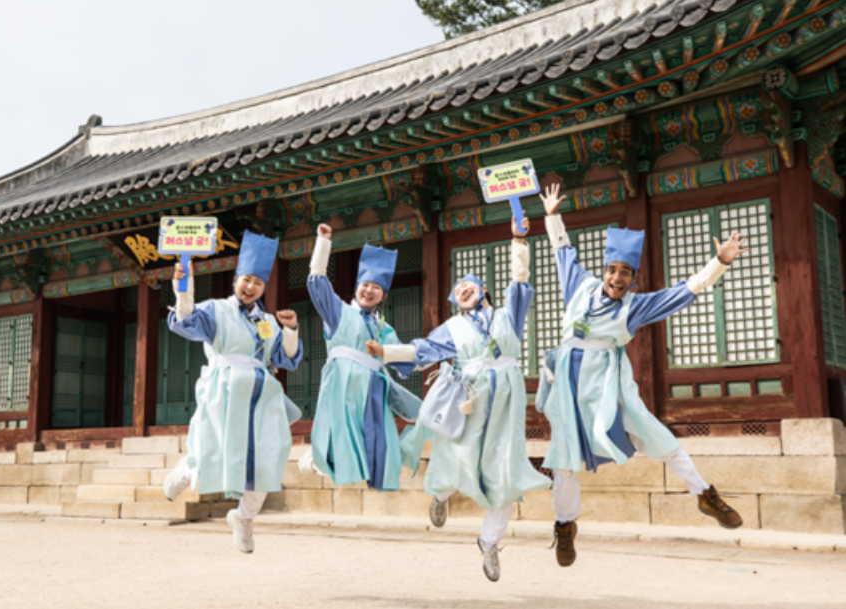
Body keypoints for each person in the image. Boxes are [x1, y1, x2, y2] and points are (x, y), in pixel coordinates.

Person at [537, 183, 747, 568]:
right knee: (563, 459)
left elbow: (685, 291)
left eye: (626, 273)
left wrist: (719, 262)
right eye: (612, 270)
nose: (617, 278)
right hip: (566, 384)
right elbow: (562, 251)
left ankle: (705, 494)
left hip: (607, 384)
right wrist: (552, 216)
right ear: (604, 270)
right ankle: (565, 526)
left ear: (632, 277)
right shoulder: (579, 286)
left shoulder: (634, 307)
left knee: (654, 432)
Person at [366, 217, 552, 582]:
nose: (462, 289)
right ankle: (441, 495)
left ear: (484, 289)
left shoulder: (509, 315)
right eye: (457, 289)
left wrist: (518, 239)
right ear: (455, 302)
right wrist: (385, 352)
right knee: (458, 458)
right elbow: (423, 350)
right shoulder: (453, 327)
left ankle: (490, 542)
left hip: (508, 401)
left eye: (469, 284)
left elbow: (520, 280)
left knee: (506, 472)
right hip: (471, 401)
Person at [162, 230, 303, 554]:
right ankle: (186, 471)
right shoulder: (216, 310)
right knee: (213, 448)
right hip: (223, 390)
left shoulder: (268, 321)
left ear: (264, 287)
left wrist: (291, 330)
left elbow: (285, 359)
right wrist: (184, 287)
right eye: (246, 280)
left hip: (261, 396)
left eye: (258, 282)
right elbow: (186, 320)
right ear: (235, 280)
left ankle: (243, 517)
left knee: (271, 453)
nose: (251, 287)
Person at [303, 224, 422, 490]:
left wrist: (431, 358)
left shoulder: (384, 329)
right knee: (340, 432)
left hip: (374, 390)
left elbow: (405, 362)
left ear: (384, 295)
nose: (369, 290)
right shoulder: (338, 312)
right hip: (342, 386)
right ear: (357, 287)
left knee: (379, 441)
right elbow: (318, 282)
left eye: (376, 287)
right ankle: (317, 458)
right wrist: (323, 243)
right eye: (365, 285)